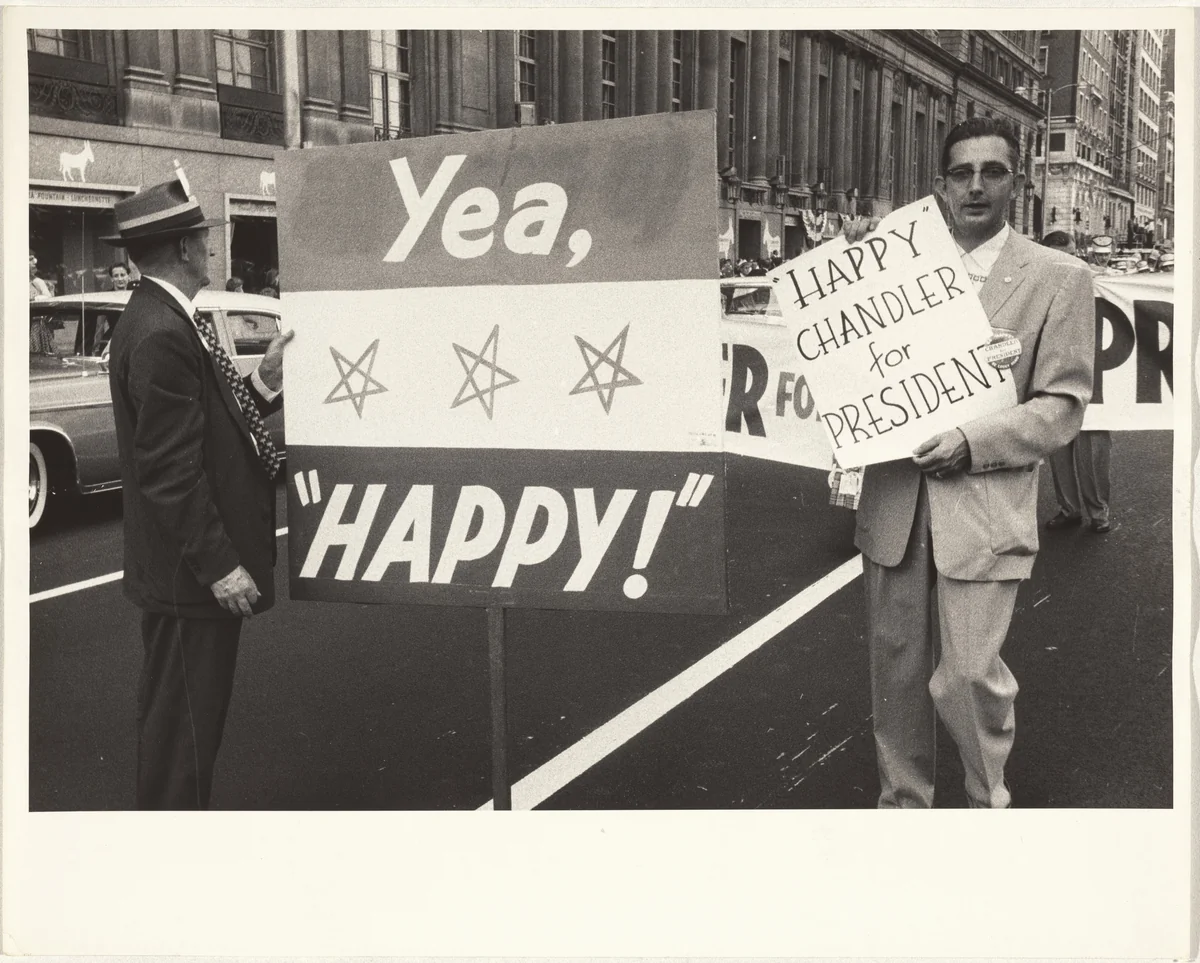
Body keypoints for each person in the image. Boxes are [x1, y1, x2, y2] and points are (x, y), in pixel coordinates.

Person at [843, 116, 1095, 809]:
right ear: (940, 186)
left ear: (1019, 181)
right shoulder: (894, 269)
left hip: (983, 512)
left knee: (967, 675)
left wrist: (972, 443)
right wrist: (848, 272)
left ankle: (988, 807)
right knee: (895, 676)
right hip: (895, 507)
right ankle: (904, 806)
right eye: (962, 173)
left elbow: (1063, 405)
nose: (976, 186)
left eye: (993, 171)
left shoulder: (1059, 277)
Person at [103, 169, 293, 809]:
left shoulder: (160, 317)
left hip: (182, 578)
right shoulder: (163, 332)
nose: (212, 248)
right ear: (185, 248)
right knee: (183, 735)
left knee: (179, 728)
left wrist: (263, 382)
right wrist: (222, 568)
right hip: (192, 581)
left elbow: (207, 431)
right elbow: (170, 468)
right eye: (206, 238)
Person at [1041, 232, 1112, 535]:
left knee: (1092, 449)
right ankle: (1069, 509)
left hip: (1092, 375)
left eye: (1072, 254)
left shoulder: (1097, 280)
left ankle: (1099, 512)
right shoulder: (1036, 284)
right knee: (1058, 447)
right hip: (1054, 375)